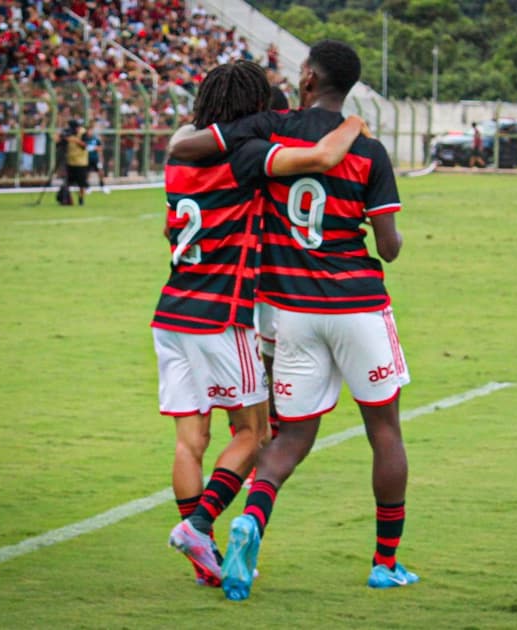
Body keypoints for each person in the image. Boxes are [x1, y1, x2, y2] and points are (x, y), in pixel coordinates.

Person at [170, 39, 418, 600]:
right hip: (357, 306)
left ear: (307, 76)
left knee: (288, 438)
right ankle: (385, 563)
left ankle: (246, 521)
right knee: (384, 431)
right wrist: (390, 232)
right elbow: (389, 246)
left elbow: (196, 147)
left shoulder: (268, 126)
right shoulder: (369, 151)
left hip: (290, 313)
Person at [57, 119, 89, 205]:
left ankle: (81, 199)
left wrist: (75, 140)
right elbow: (59, 143)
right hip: (70, 161)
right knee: (67, 182)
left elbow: (85, 145)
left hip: (81, 162)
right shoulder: (68, 133)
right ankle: (66, 198)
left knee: (81, 183)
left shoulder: (83, 133)